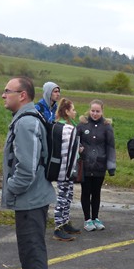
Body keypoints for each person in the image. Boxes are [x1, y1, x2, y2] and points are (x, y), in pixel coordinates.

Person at [2, 76, 56, 269]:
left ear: (22, 95)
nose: (3, 95)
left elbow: (26, 168)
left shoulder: (26, 123)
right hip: (30, 198)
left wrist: (11, 189)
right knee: (28, 250)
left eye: (8, 91)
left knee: (33, 251)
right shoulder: (25, 118)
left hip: (30, 199)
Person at [77, 99, 116, 231]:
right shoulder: (82, 125)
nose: (94, 113)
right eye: (92, 111)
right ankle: (87, 219)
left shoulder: (107, 127)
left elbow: (110, 147)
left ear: (102, 111)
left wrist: (111, 166)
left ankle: (95, 218)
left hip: (100, 165)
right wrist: (79, 148)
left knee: (96, 192)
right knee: (86, 192)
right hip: (85, 165)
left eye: (97, 111)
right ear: (89, 110)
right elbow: (75, 140)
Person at [53, 97, 82, 241]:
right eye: (73, 109)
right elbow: (67, 150)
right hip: (64, 169)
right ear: (66, 111)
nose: (75, 112)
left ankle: (65, 222)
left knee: (68, 196)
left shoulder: (68, 126)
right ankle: (58, 227)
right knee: (62, 197)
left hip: (68, 169)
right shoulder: (66, 129)